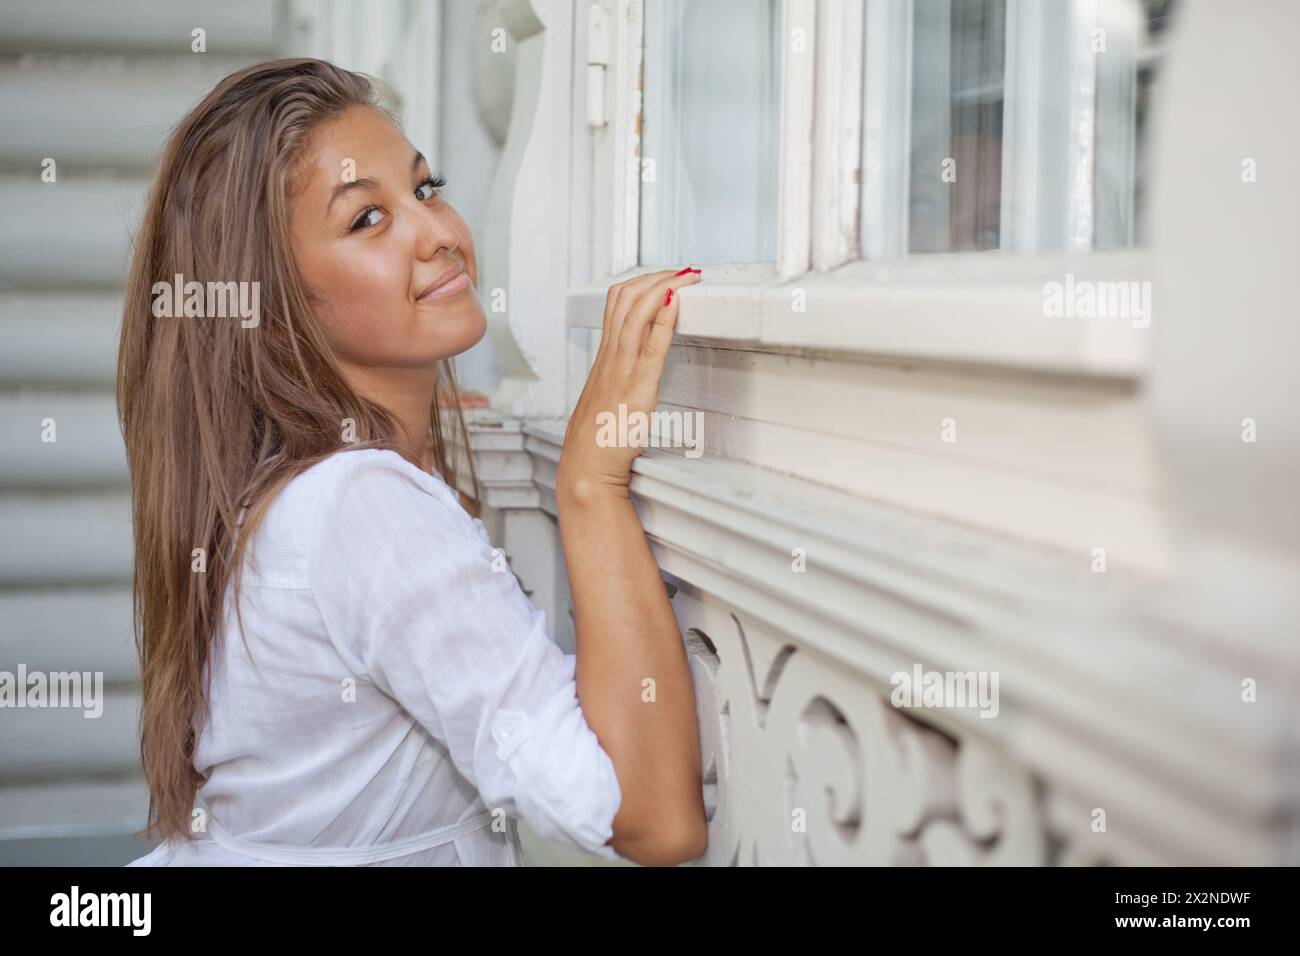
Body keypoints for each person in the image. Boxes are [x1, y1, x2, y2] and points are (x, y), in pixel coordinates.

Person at [118, 58, 706, 867]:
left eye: (425, 189)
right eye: (367, 220)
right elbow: (648, 819)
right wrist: (590, 486)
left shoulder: (288, 488)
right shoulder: (361, 505)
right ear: (278, 301)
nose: (439, 233)